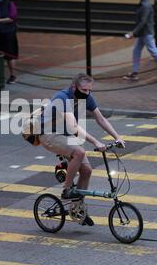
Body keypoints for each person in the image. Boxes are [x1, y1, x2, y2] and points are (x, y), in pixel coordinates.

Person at [38, 74, 126, 226]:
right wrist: (96, 141)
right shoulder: (62, 98)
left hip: (67, 136)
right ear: (74, 87)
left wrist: (118, 137)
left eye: (89, 90)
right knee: (79, 152)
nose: (87, 93)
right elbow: (73, 127)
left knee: (87, 171)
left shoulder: (87, 97)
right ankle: (66, 190)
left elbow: (101, 119)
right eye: (84, 90)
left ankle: (77, 209)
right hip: (48, 134)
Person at [123, 0, 157, 81]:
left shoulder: (146, 5)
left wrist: (133, 33)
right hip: (142, 33)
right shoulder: (142, 4)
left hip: (146, 33)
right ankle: (134, 73)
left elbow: (143, 21)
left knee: (154, 52)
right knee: (136, 51)